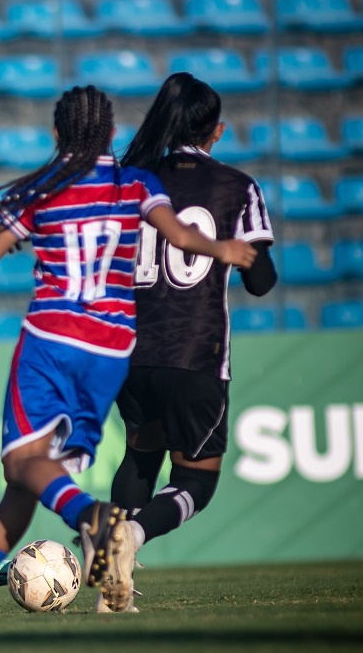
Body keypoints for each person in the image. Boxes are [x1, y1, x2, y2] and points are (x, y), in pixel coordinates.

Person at [0, 86, 257, 619]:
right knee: (33, 473)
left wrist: (20, 228)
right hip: (112, 347)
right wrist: (222, 249)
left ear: (56, 135)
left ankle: (93, 517)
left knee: (22, 462)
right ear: (113, 134)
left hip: (52, 340)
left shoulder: (45, 189)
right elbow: (180, 235)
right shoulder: (137, 183)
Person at [102, 73, 276, 611]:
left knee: (139, 455)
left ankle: (114, 589)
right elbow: (260, 280)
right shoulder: (235, 186)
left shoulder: (128, 181)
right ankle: (130, 538)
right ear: (216, 131)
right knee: (197, 481)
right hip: (194, 353)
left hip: (129, 353)